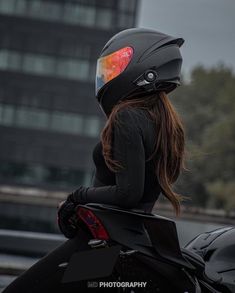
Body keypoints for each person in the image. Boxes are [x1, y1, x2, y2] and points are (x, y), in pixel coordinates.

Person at [3, 28, 185, 292]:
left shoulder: (127, 117)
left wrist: (77, 196)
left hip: (101, 248)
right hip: (128, 245)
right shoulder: (167, 126)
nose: (107, 77)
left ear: (144, 67)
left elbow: (128, 193)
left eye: (115, 67)